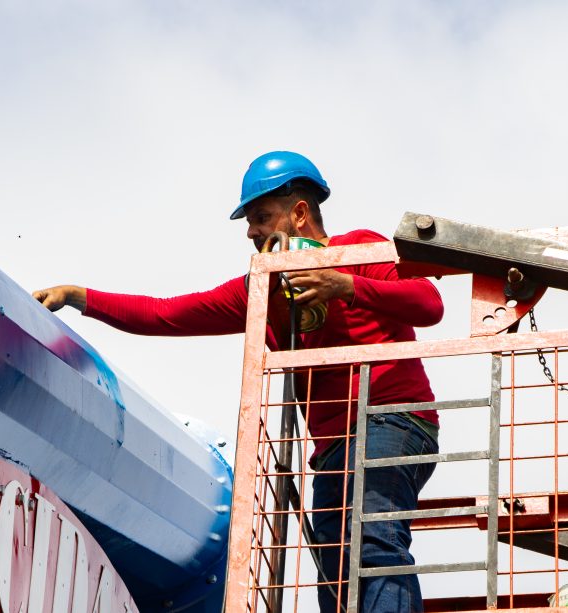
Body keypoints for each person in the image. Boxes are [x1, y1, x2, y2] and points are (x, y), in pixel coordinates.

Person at [33, 151, 443, 613]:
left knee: (373, 540)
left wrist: (344, 285)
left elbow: (429, 303)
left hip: (391, 419)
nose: (251, 232)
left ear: (299, 213)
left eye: (261, 217)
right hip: (333, 448)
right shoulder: (261, 289)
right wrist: (78, 296)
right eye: (249, 222)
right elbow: (166, 313)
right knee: (335, 569)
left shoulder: (356, 250)